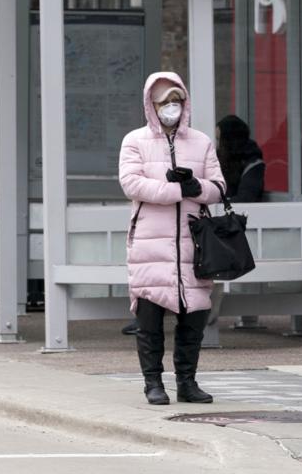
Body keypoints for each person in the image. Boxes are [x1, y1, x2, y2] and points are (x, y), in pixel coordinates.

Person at [119, 72, 226, 405]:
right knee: (149, 319)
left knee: (193, 317)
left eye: (177, 101)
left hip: (194, 244)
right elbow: (132, 184)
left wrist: (199, 188)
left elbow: (219, 187)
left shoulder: (201, 142)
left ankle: (187, 382)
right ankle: (153, 383)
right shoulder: (135, 141)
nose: (172, 108)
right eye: (166, 102)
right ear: (152, 105)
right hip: (151, 243)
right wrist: (177, 190)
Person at [216, 115, 266, 203]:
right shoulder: (221, 159)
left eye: (219, 140)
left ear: (229, 141)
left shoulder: (253, 164)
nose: (217, 146)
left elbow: (245, 199)